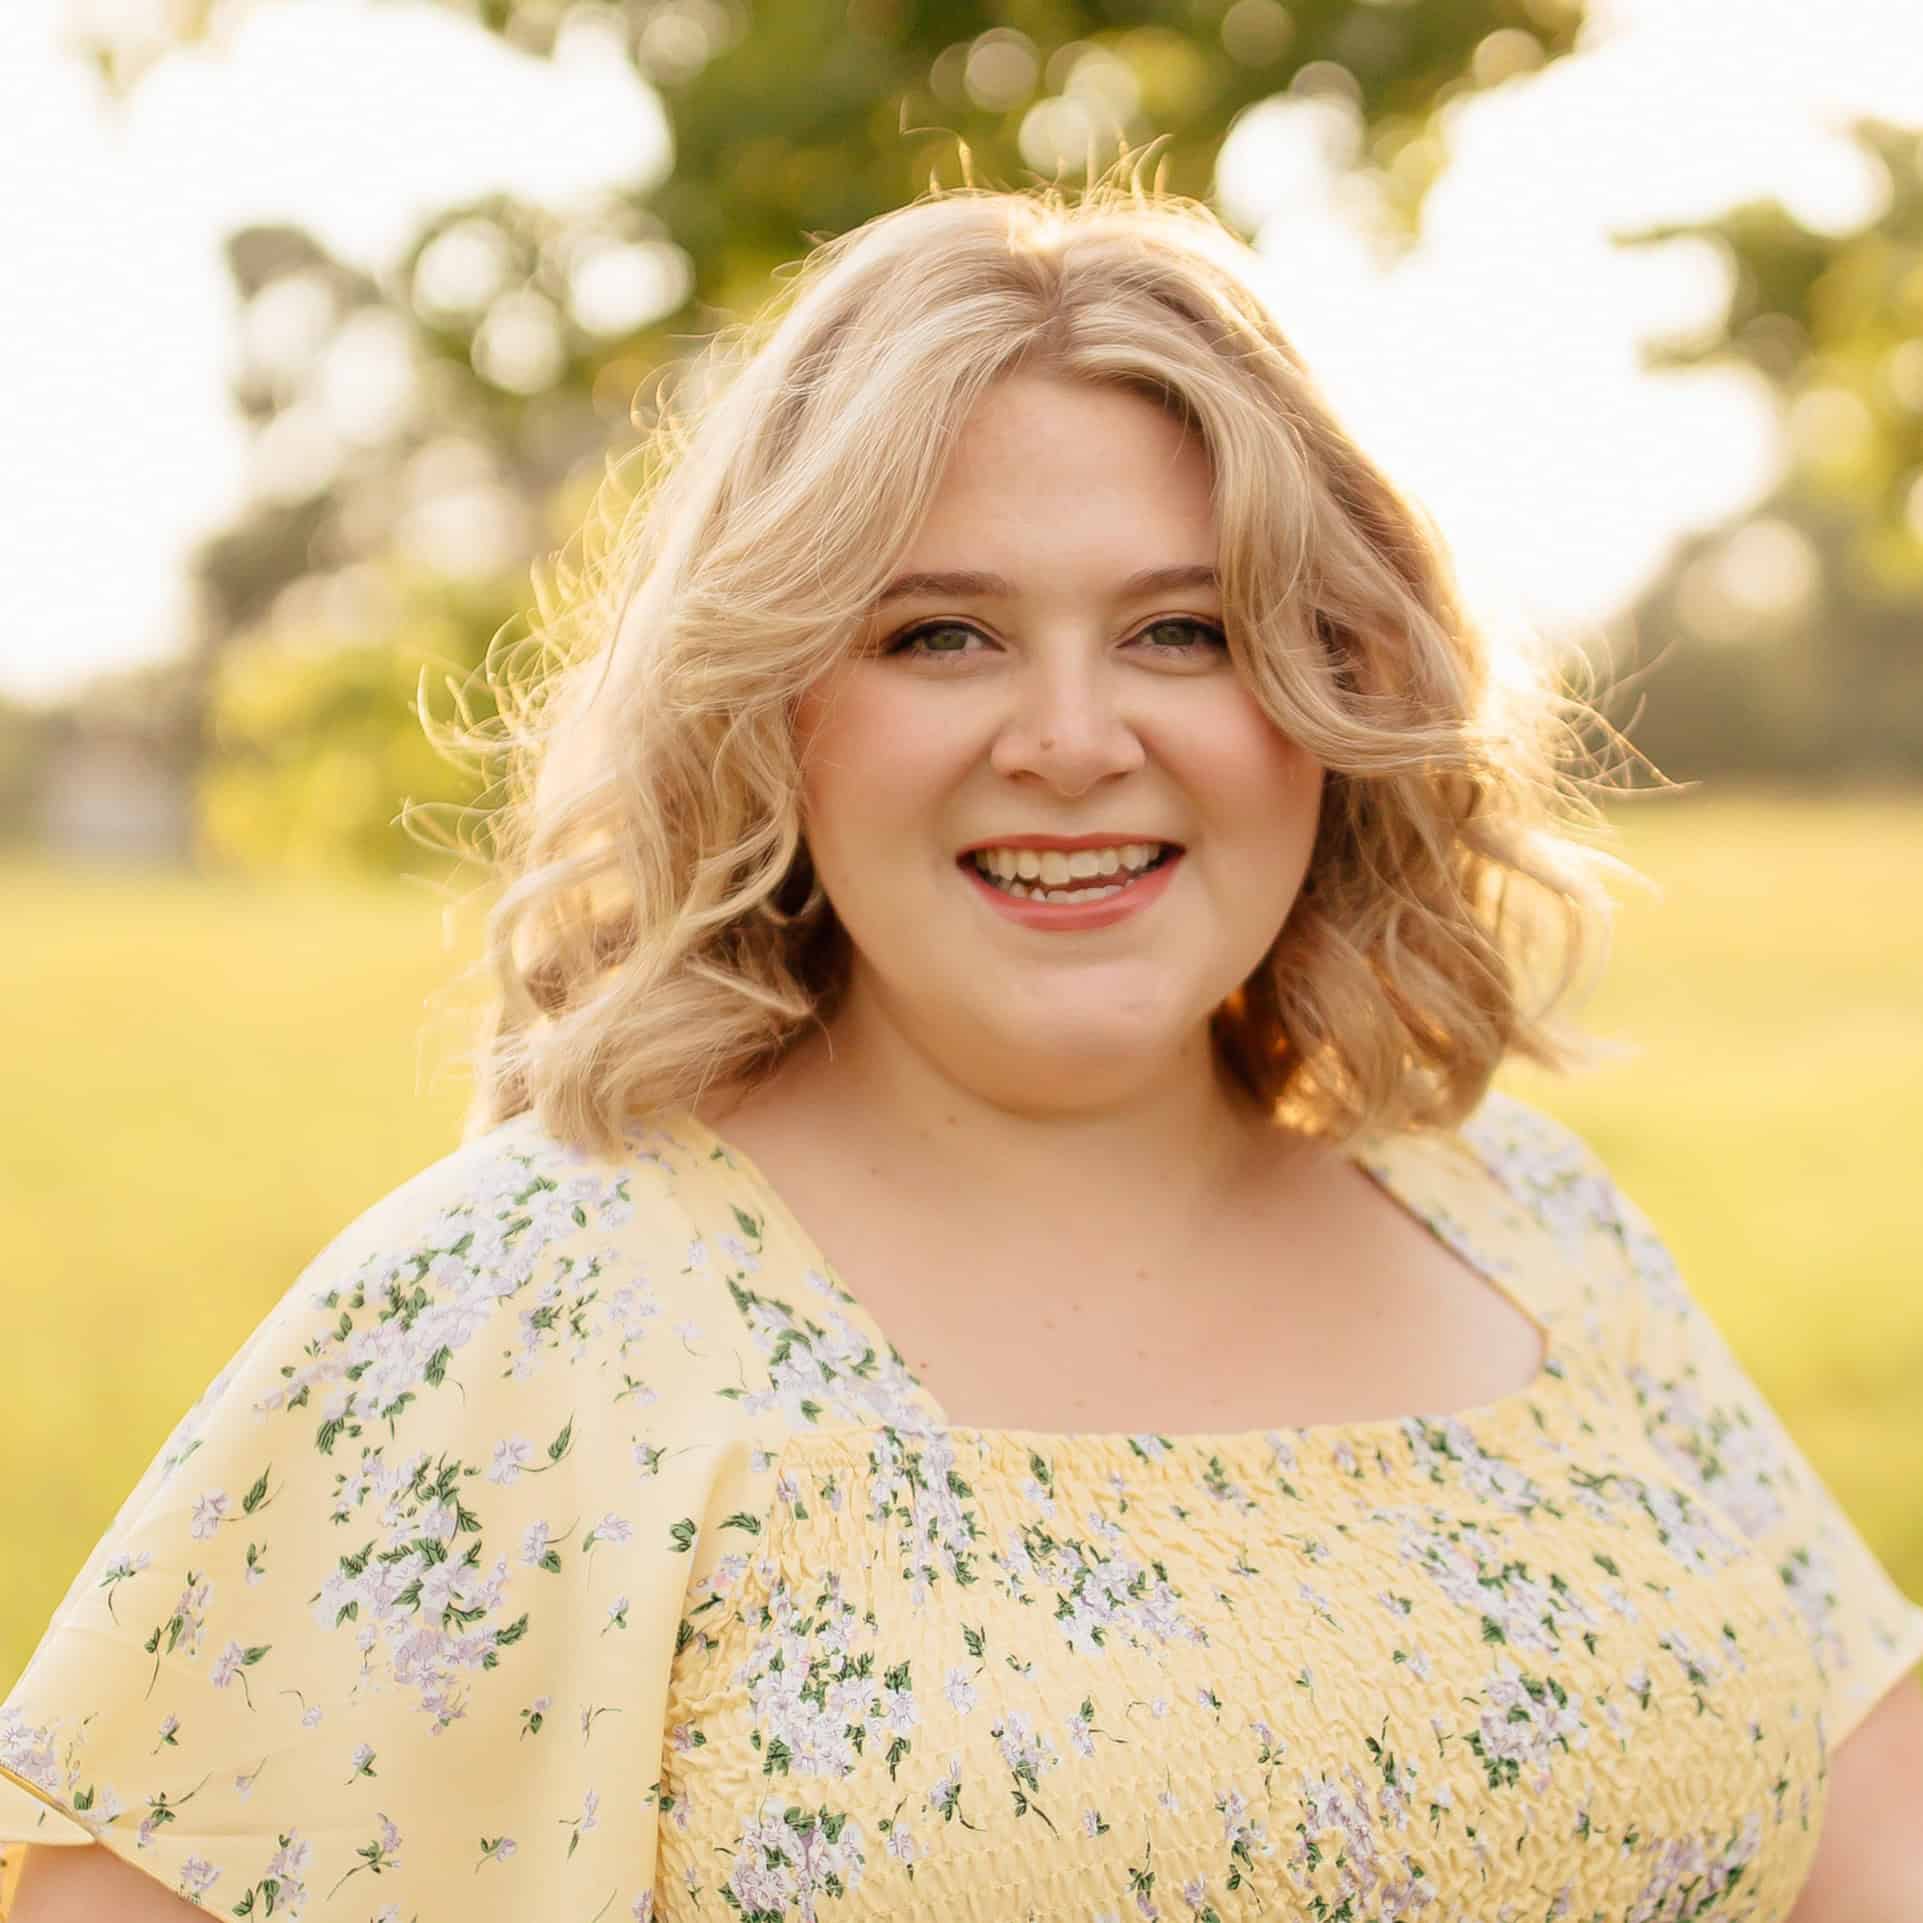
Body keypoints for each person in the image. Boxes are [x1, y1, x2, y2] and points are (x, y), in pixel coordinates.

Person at [3, 170, 1921, 1923]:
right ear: (771, 711)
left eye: (1185, 630)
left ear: (1334, 695)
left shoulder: (1533, 1233)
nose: (1075, 738)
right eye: (942, 637)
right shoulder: (526, 1312)